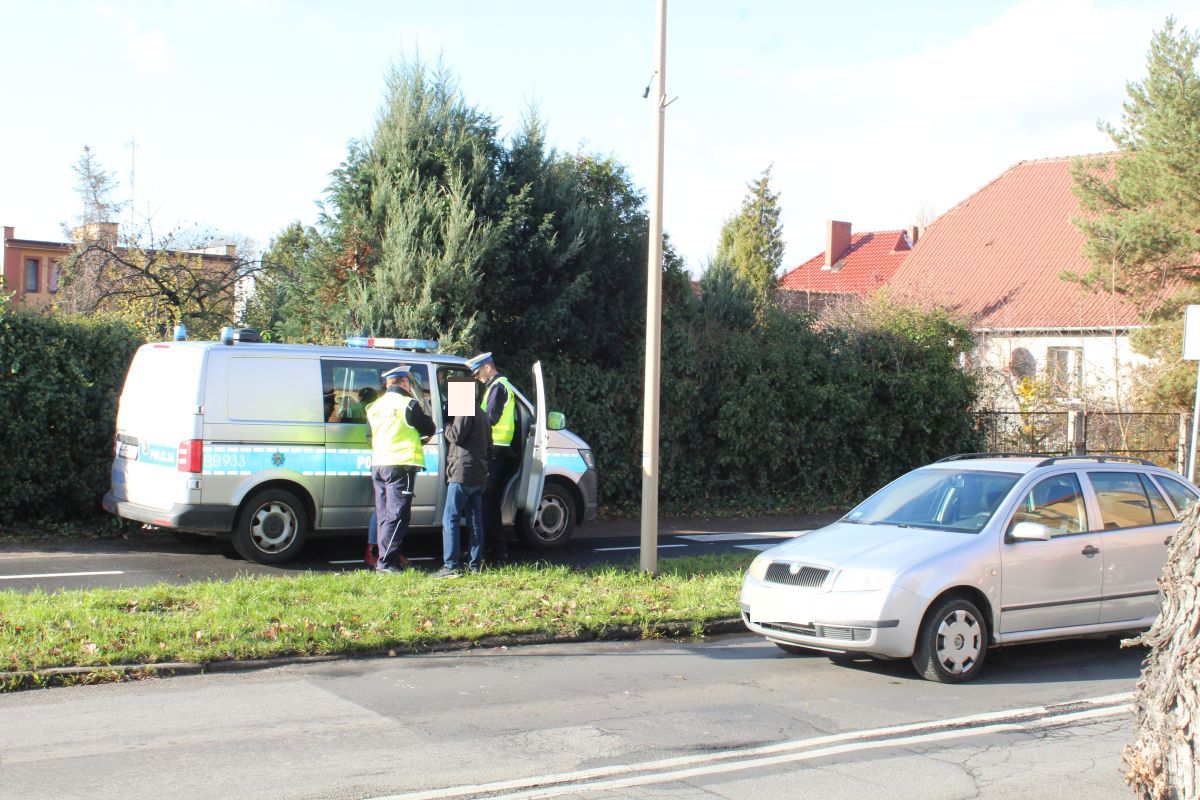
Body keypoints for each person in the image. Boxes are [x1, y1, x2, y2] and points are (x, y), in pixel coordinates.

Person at [366, 364, 435, 572]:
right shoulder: (408, 404)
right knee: (398, 515)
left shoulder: (374, 407)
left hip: (378, 464)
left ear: (387, 384)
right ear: (405, 382)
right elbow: (429, 428)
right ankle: (386, 563)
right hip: (401, 466)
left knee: (384, 514)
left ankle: (386, 559)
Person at [435, 381, 490, 578]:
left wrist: (446, 425)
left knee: (450, 518)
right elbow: (489, 447)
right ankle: (475, 564)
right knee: (475, 520)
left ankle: (451, 566)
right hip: (479, 475)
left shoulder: (465, 412)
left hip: (462, 474)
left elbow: (456, 436)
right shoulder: (483, 415)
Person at [467, 352, 518, 562]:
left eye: (478, 373)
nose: (477, 378)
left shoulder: (498, 387)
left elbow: (490, 419)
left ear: (488, 367)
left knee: (487, 501)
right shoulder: (495, 387)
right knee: (488, 501)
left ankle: (496, 550)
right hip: (495, 450)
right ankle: (491, 548)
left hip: (496, 451)